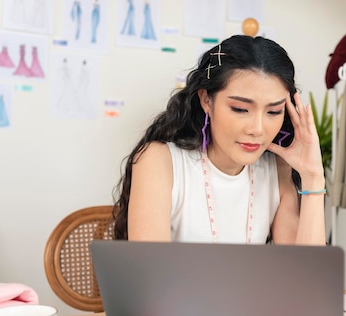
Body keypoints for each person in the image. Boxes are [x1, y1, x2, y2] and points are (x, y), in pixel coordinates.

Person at [113, 35, 326, 246]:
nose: (257, 129)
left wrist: (313, 177)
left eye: (273, 111)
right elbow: (150, 273)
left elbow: (304, 273)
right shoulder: (160, 161)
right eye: (241, 109)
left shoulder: (277, 168)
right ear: (206, 99)